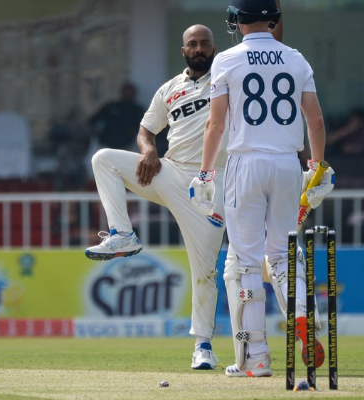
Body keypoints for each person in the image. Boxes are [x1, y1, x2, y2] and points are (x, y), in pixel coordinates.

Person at [85, 2, 284, 371]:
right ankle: (122, 234)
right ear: (183, 50)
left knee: (204, 270)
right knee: (104, 159)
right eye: (192, 44)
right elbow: (147, 130)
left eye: (205, 43)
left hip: (214, 183)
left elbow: (272, 47)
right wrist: (148, 152)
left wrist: (274, 12)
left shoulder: (228, 70)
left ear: (213, 47)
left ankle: (203, 345)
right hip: (170, 172)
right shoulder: (169, 89)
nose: (199, 49)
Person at [189, 0, 334, 377]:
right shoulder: (296, 58)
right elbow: (315, 120)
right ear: (273, 19)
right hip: (288, 163)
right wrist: (316, 167)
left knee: (246, 261)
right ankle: (301, 314)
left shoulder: (227, 60)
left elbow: (216, 126)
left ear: (237, 20)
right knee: (284, 255)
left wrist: (205, 174)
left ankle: (255, 357)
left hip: (245, 163)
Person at [89, 82, 145, 151]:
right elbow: (93, 120)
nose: (128, 94)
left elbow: (143, 127)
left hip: (127, 145)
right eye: (126, 92)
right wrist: (96, 132)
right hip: (106, 143)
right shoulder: (111, 106)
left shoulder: (137, 110)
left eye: (131, 93)